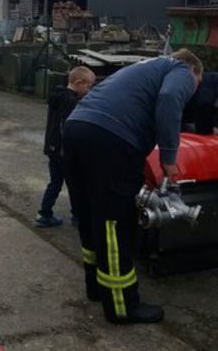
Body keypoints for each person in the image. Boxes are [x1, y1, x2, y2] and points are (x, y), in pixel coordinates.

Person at [63, 49, 203, 325]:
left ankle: (97, 287)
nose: (192, 92)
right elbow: (169, 98)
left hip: (76, 128)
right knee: (116, 223)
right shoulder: (181, 70)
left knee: (91, 215)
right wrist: (169, 157)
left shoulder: (144, 68)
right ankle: (122, 306)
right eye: (194, 88)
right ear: (193, 71)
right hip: (110, 138)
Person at [35, 66, 96, 228]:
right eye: (88, 86)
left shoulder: (58, 96)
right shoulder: (71, 102)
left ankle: (44, 214)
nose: (89, 91)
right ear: (79, 82)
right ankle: (78, 215)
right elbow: (69, 129)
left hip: (52, 149)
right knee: (75, 183)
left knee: (55, 182)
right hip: (64, 152)